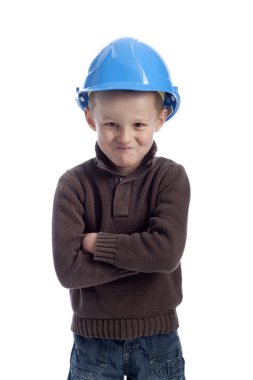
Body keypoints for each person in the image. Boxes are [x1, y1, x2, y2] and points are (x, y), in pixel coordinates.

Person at [52, 37, 190, 380]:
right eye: (111, 123)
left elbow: (166, 254)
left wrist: (97, 244)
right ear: (90, 117)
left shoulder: (171, 178)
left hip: (158, 343)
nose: (124, 137)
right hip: (92, 345)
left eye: (139, 124)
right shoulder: (73, 185)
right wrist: (144, 256)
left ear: (161, 117)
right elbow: (68, 271)